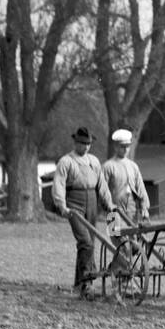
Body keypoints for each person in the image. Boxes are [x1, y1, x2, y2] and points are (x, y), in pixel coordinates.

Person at [51, 127, 116, 299]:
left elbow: (102, 185)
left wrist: (109, 204)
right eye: (82, 144)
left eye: (88, 144)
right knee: (85, 241)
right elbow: (59, 184)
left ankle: (79, 282)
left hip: (92, 202)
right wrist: (62, 206)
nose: (86, 147)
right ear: (75, 143)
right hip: (75, 203)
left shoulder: (94, 161)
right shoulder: (66, 162)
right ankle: (87, 281)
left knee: (89, 243)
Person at [102, 128, 150, 225]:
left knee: (134, 237)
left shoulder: (133, 166)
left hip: (132, 209)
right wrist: (109, 205)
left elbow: (141, 188)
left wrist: (144, 207)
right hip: (114, 210)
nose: (126, 149)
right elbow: (102, 189)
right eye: (122, 146)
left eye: (128, 146)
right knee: (116, 237)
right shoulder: (108, 166)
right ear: (115, 147)